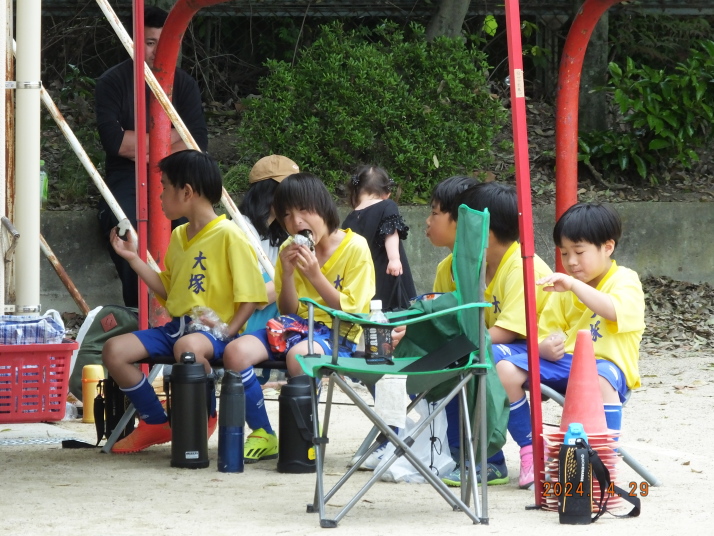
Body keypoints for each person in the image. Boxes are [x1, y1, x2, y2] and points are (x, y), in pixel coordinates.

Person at [102, 150, 267, 454]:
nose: (160, 195)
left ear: (187, 192)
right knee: (114, 350)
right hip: (176, 330)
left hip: (213, 334)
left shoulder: (230, 235)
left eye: (165, 186)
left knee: (188, 348)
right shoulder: (179, 235)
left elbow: (252, 296)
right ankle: (154, 422)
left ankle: (204, 415)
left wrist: (229, 332)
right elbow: (168, 289)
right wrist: (132, 257)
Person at [223, 173, 375, 464]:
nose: (295, 221)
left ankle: (305, 434)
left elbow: (353, 311)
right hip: (294, 328)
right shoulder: (287, 250)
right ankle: (263, 433)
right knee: (235, 352)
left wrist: (315, 276)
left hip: (337, 331)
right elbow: (288, 312)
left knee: (299, 356)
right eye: (286, 215)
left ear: (323, 207)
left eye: (304, 210)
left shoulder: (355, 247)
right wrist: (289, 274)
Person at [496, 202, 645, 488]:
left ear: (607, 247)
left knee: (598, 378)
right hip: (566, 364)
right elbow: (544, 333)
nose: (571, 261)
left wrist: (575, 286)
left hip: (607, 367)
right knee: (504, 369)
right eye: (564, 253)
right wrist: (544, 347)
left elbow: (614, 311)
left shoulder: (624, 280)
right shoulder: (565, 287)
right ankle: (532, 451)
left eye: (579, 252)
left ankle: (602, 463)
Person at [435, 182, 552, 488]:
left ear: (483, 233)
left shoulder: (523, 266)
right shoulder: (467, 266)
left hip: (540, 352)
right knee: (449, 360)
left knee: (474, 358)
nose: (460, 237)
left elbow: (509, 332)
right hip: (496, 350)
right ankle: (467, 456)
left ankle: (523, 453)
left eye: (465, 230)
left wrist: (458, 345)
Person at [95, 6, 208, 307]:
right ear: (132, 42)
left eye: (164, 41)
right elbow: (117, 144)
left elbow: (197, 144)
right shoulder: (112, 82)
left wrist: (145, 148)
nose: (158, 51)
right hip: (126, 178)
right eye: (149, 42)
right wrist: (173, 137)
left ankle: (189, 309)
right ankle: (139, 310)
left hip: (176, 176)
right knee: (128, 228)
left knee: (194, 223)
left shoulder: (185, 84)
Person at [342, 166, 416, 310]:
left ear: (356, 191)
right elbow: (390, 233)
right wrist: (394, 259)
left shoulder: (349, 220)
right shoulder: (387, 205)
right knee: (397, 311)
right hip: (386, 271)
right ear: (386, 192)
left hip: (363, 279)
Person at [240, 155, 299, 334]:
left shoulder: (277, 231)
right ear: (268, 192)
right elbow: (258, 298)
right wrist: (299, 274)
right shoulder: (241, 229)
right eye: (289, 191)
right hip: (245, 327)